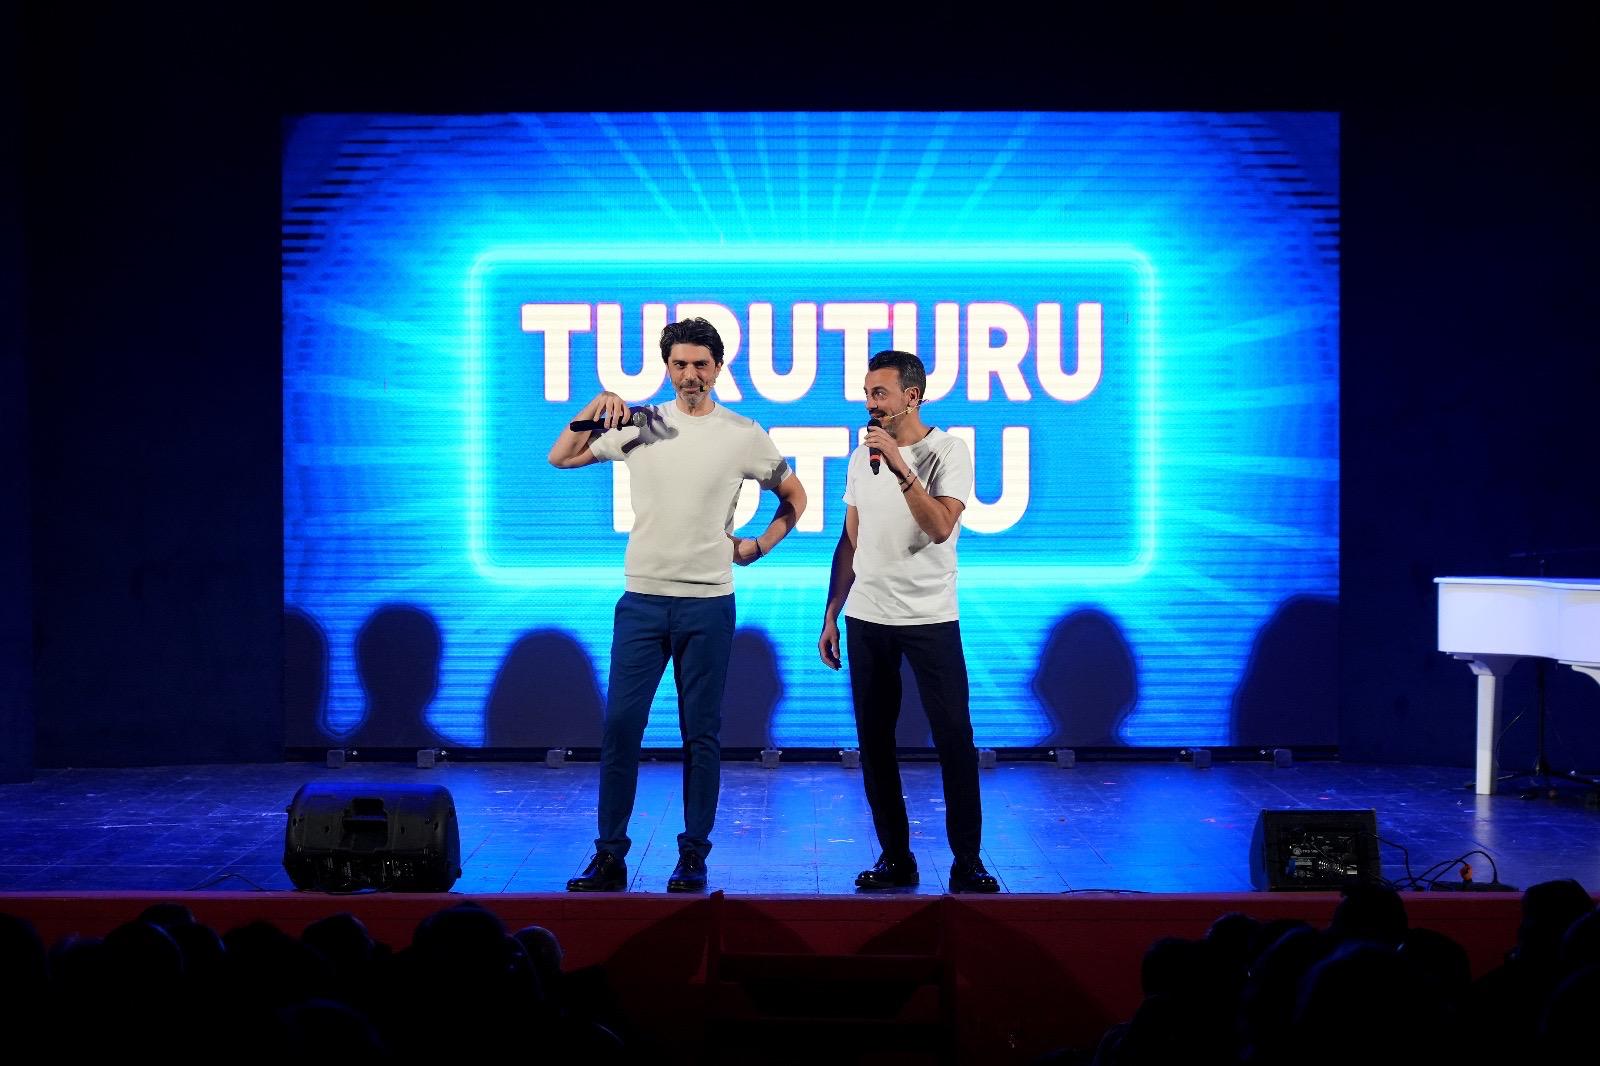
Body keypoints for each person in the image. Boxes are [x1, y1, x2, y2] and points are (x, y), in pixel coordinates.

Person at [550, 317, 806, 893]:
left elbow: (794, 494)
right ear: (667, 368)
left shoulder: (742, 433)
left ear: (718, 368)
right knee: (621, 728)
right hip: (642, 601)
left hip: (708, 603)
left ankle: (693, 856)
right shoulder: (641, 424)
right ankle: (610, 856)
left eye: (700, 365)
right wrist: (596, 404)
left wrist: (760, 545)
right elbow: (560, 457)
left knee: (701, 735)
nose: (690, 375)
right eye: (680, 365)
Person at [818, 350, 998, 893]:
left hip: (930, 618)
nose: (869, 403)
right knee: (875, 744)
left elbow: (940, 526)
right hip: (868, 617)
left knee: (954, 739)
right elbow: (850, 539)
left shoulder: (948, 450)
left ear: (911, 397)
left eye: (880, 393)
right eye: (866, 393)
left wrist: (901, 467)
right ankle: (896, 857)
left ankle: (968, 861)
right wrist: (832, 611)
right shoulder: (860, 457)